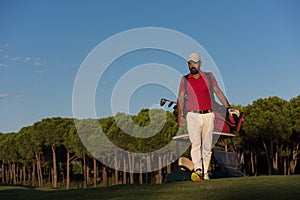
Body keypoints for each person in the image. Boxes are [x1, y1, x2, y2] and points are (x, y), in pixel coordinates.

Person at [177, 53, 230, 181]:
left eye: (195, 63)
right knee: (195, 144)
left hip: (208, 114)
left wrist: (228, 107)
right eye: (190, 63)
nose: (192, 65)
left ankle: (205, 172)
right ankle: (198, 170)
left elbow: (218, 92)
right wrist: (180, 116)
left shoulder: (209, 76)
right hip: (192, 115)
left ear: (200, 63)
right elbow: (180, 98)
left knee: (207, 145)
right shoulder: (185, 79)